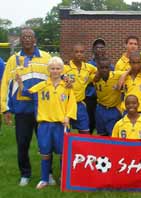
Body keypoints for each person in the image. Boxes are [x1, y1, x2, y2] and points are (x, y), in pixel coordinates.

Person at [1, 28, 52, 186]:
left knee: (45, 144)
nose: (27, 39)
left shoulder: (46, 57)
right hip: (22, 111)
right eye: (24, 37)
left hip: (43, 111)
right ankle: (25, 174)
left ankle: (48, 174)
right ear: (21, 40)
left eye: (30, 36)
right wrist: (5, 108)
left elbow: (55, 80)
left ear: (34, 39)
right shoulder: (13, 60)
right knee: (23, 144)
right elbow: (5, 85)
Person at [17, 56, 77, 189]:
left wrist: (68, 117)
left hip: (61, 125)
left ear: (62, 70)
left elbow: (72, 103)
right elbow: (27, 92)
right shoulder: (42, 86)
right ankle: (44, 179)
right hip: (44, 125)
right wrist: (20, 84)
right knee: (45, 152)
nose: (55, 71)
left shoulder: (67, 86)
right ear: (48, 70)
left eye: (57, 68)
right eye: (52, 68)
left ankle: (64, 177)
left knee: (63, 152)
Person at [63, 43, 97, 134]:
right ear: (72, 54)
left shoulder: (88, 67)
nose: (79, 54)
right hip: (66, 104)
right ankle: (65, 148)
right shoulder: (65, 67)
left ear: (84, 54)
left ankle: (83, 148)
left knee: (85, 130)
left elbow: (98, 71)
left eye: (81, 52)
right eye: (76, 52)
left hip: (80, 104)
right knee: (65, 132)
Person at [86, 38, 114, 134]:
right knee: (89, 124)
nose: (100, 50)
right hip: (91, 98)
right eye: (97, 48)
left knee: (103, 126)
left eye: (102, 48)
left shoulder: (110, 66)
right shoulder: (88, 65)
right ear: (93, 49)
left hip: (104, 99)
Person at [92, 57, 123, 136]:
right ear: (98, 68)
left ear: (110, 68)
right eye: (102, 68)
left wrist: (120, 81)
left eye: (106, 67)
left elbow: (130, 71)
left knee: (113, 134)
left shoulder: (117, 75)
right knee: (101, 134)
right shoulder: (94, 78)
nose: (104, 70)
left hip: (114, 109)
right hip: (100, 109)